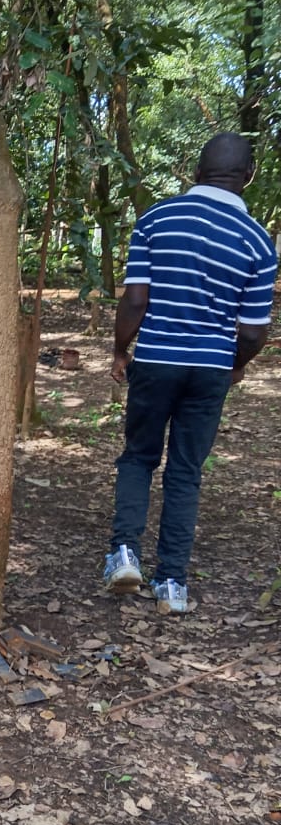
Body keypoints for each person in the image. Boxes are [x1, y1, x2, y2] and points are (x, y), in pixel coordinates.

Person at [103, 133, 276, 614]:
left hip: (156, 359)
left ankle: (123, 555)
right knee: (185, 472)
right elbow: (255, 331)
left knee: (138, 457)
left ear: (196, 172)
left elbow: (136, 299)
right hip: (210, 370)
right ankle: (172, 584)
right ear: (248, 177)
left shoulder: (157, 219)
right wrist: (235, 365)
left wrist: (121, 350)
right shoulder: (259, 242)